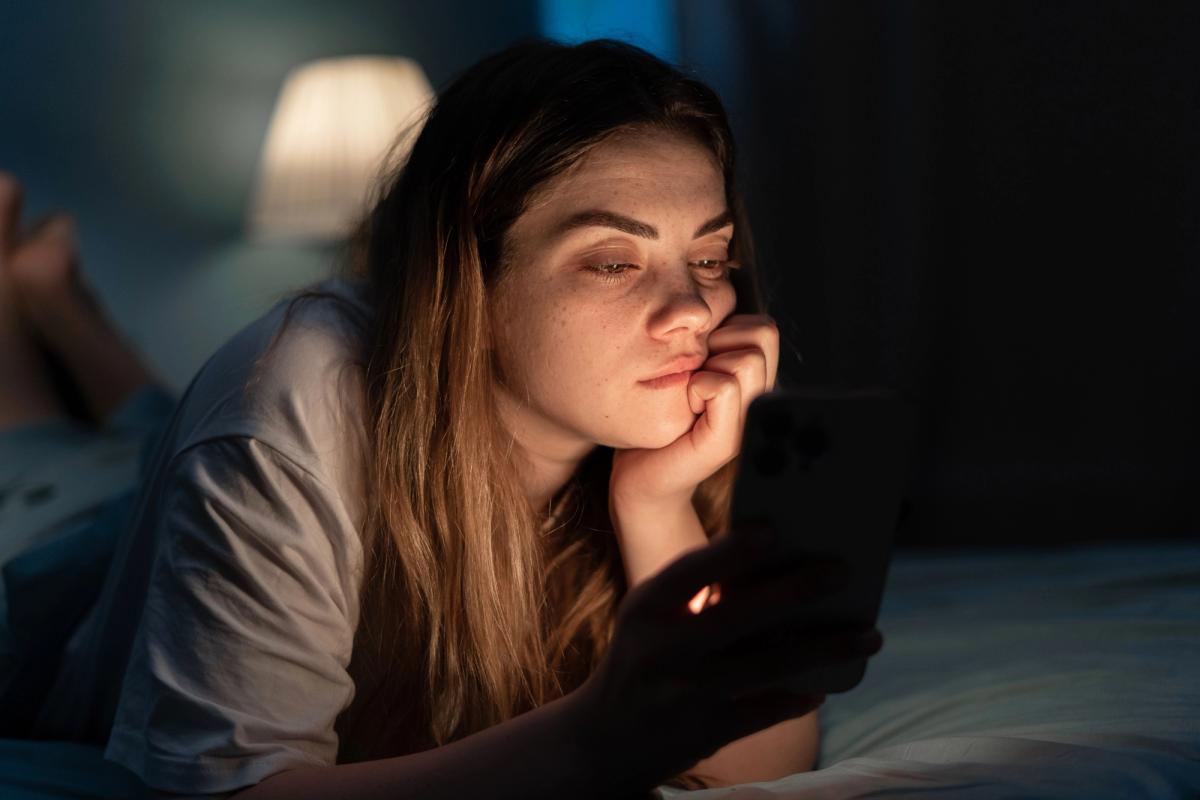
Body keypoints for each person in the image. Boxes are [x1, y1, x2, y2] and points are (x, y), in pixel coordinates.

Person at [0, 37, 884, 799]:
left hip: (164, 475)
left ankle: (59, 303)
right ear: (468, 279)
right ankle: (20, 309)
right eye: (612, 262)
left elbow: (764, 761)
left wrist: (657, 505)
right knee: (60, 466)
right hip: (54, 557)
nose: (695, 309)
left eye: (709, 255)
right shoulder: (294, 396)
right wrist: (602, 731)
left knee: (142, 440)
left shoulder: (650, 441)